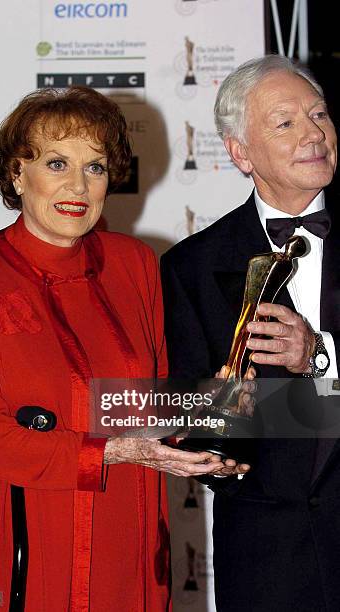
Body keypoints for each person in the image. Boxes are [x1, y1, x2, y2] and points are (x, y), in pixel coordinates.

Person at [0, 86, 229, 612]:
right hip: (19, 551)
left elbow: (154, 405)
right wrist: (113, 451)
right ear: (17, 175)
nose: (78, 185)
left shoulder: (133, 263)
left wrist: (225, 431)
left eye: (95, 167)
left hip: (127, 538)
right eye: (56, 163)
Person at [161, 55, 340, 611]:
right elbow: (192, 411)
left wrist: (319, 355)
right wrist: (215, 443)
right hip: (267, 561)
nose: (313, 133)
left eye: (319, 114)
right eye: (285, 122)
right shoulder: (192, 266)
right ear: (240, 152)